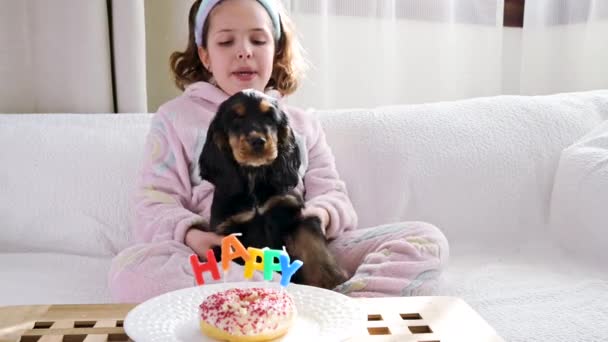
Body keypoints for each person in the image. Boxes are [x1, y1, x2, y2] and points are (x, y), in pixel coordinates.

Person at [108, 0, 449, 302]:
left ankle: (348, 307)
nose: (244, 51)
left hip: (301, 252)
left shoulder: (300, 124)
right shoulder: (175, 119)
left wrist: (320, 217)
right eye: (227, 41)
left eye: (258, 40)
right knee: (129, 268)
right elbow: (153, 202)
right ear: (205, 55)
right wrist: (193, 235)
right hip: (221, 259)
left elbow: (332, 193)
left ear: (277, 51)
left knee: (425, 239)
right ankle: (273, 299)